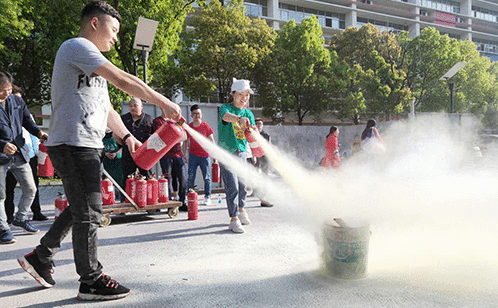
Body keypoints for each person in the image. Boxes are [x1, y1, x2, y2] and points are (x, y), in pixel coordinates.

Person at [17, 1, 181, 301]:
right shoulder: (75, 47)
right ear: (94, 23)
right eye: (114, 30)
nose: (116, 38)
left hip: (85, 143)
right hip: (72, 142)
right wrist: (164, 102)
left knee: (81, 207)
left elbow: (105, 109)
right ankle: (90, 280)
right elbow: (124, 79)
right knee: (90, 212)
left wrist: (128, 137)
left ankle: (41, 256)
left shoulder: (92, 66)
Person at [0, 72, 49, 244]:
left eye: (7, 90)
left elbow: (27, 121)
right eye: (1, 91)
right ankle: (3, 229)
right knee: (1, 194)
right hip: (1, 156)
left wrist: (39, 132)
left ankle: (20, 218)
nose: (5, 94)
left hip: (19, 154)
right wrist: (2, 145)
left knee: (31, 188)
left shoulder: (17, 101)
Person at [218, 78, 255, 233]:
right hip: (226, 152)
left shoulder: (248, 112)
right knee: (232, 185)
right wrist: (239, 119)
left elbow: (252, 133)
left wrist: (253, 131)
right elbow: (226, 117)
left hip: (241, 152)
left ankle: (241, 209)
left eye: (247, 95)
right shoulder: (225, 108)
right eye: (241, 94)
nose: (244, 98)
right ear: (233, 94)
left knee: (242, 184)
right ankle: (233, 219)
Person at [153, 112, 187, 211]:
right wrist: (175, 137)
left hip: (178, 155)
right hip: (165, 155)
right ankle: (168, 203)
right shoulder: (158, 121)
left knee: (183, 178)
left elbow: (184, 136)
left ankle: (182, 201)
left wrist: (171, 137)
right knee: (167, 180)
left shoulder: (177, 121)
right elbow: (161, 138)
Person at [184, 105, 215, 205]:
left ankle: (207, 196)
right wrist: (184, 154)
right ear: (191, 115)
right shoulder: (189, 127)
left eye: (198, 113)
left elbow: (212, 141)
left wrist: (215, 155)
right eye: (194, 114)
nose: (196, 115)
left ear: (201, 115)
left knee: (207, 177)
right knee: (191, 177)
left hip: (204, 156)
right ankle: (189, 196)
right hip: (192, 155)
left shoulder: (206, 126)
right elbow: (185, 141)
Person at [118, 97, 153, 180]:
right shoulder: (123, 119)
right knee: (128, 179)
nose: (132, 108)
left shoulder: (149, 120)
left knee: (146, 178)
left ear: (141, 106)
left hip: (144, 154)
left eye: (135, 105)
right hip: (128, 154)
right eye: (130, 106)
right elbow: (116, 135)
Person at [252, 118, 273, 207]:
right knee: (255, 175)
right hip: (255, 158)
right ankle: (256, 191)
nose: (258, 126)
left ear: (262, 125)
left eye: (260, 124)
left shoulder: (266, 136)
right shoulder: (251, 135)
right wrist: (254, 156)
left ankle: (264, 195)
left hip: (264, 158)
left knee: (265, 176)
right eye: (256, 124)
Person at [102, 128, 123, 202]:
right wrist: (105, 153)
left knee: (121, 182)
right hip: (106, 162)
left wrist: (116, 153)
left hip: (117, 162)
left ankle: (122, 201)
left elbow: (124, 147)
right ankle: (108, 200)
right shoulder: (100, 134)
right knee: (106, 183)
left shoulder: (117, 133)